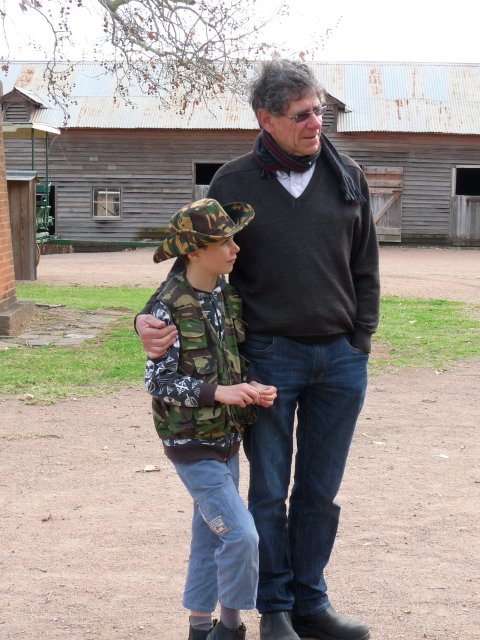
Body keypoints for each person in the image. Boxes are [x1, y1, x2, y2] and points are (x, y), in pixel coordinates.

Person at [137, 60, 380, 640]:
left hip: (341, 361)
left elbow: (365, 266)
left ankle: (309, 605)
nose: (315, 122)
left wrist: (361, 338)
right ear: (265, 119)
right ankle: (272, 610)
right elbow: (191, 266)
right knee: (268, 491)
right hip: (269, 357)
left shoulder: (348, 178)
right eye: (301, 114)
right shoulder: (233, 184)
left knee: (319, 491)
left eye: (319, 109)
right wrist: (146, 317)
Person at [144, 197, 277, 640]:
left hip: (227, 439)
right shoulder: (167, 304)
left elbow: (229, 359)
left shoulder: (224, 293)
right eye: (225, 241)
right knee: (240, 537)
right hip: (191, 445)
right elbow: (159, 382)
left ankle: (200, 627)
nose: (236, 248)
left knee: (210, 536)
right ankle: (232, 627)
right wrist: (220, 392)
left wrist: (250, 388)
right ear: (195, 250)